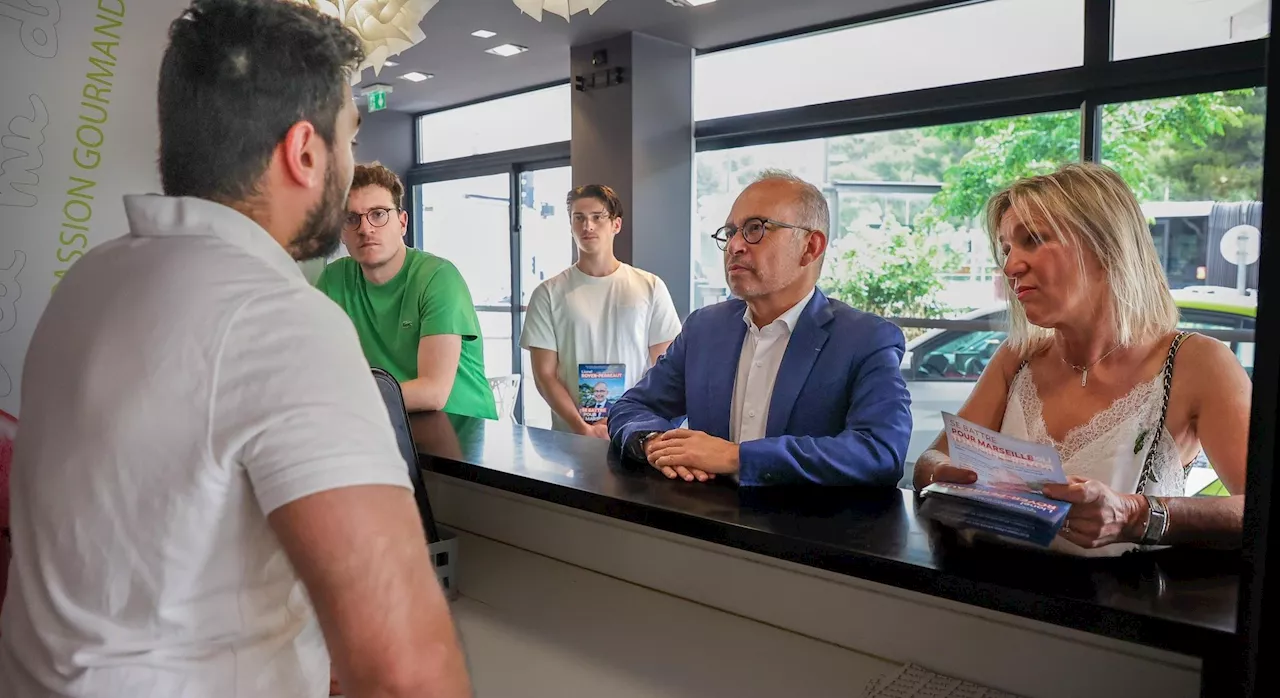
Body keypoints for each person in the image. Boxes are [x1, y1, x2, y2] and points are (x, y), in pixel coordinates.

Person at [0, 2, 471, 696]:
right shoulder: (281, 320)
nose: (350, 167)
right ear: (304, 152)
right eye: (348, 139)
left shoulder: (87, 282)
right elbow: (410, 673)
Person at [912, 162, 1250, 557]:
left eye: (1034, 240)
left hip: (1118, 611)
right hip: (988, 602)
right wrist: (940, 473)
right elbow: (931, 460)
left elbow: (1260, 508)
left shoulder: (1198, 363)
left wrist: (1136, 515)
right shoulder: (1016, 359)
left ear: (1106, 245)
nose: (1010, 266)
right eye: (1006, 249)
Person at [608, 170, 913, 486]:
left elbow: (880, 452)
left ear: (811, 247)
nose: (735, 245)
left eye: (755, 229)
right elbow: (632, 407)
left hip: (804, 531)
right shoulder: (704, 329)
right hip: (699, 525)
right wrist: (654, 442)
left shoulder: (865, 339)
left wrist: (736, 457)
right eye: (730, 232)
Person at [317, 162, 498, 420]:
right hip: (389, 423)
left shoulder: (437, 277)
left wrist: (339, 399)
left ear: (402, 223)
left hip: (463, 433)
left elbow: (432, 392)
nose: (365, 228)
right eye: (351, 218)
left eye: (378, 214)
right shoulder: (335, 279)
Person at [520, 184, 681, 437]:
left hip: (635, 433)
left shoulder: (650, 287)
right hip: (570, 437)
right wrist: (582, 428)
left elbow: (663, 368)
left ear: (616, 224)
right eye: (579, 218)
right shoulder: (548, 293)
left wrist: (634, 421)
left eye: (597, 217)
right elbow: (545, 376)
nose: (588, 226)